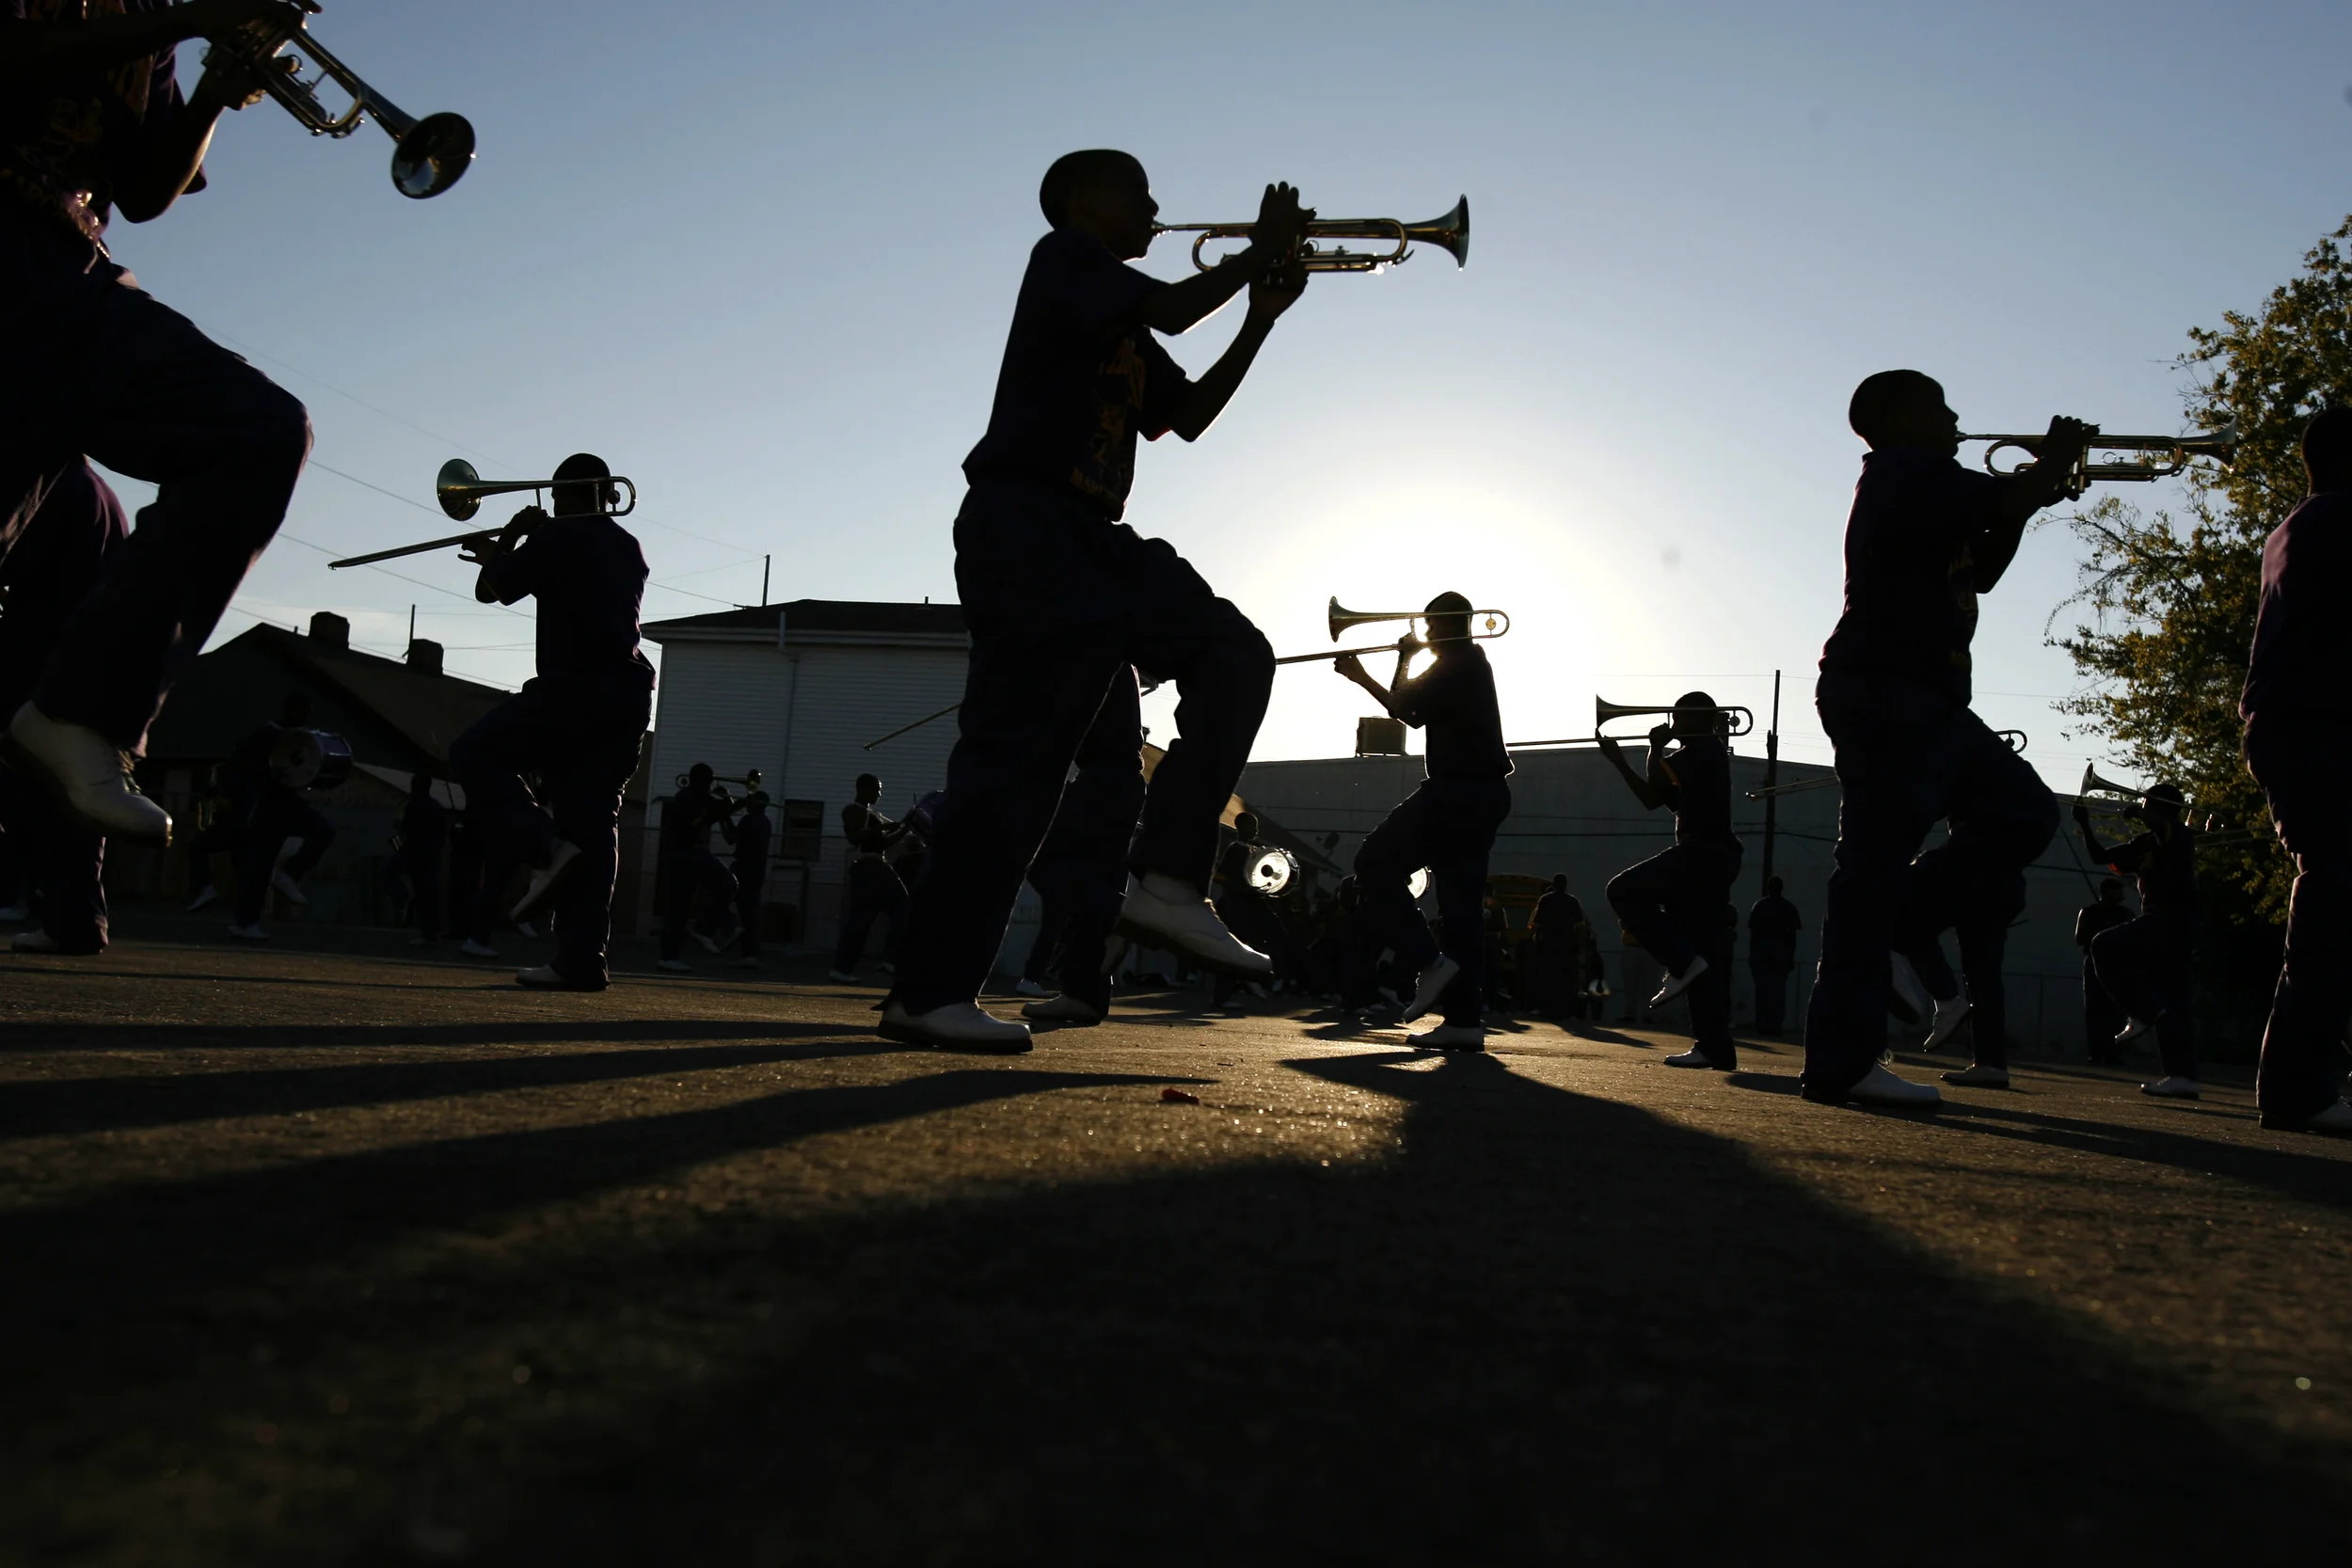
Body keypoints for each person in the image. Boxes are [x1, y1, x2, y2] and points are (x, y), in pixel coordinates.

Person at [881, 150, 1310, 1053]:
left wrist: (1261, 318)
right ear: (1082, 198)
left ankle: (1168, 881)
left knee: (1236, 652)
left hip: (1092, 538)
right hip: (1026, 523)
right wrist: (1252, 255)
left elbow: (1187, 414)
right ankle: (931, 991)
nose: (1155, 207)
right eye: (1137, 191)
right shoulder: (1065, 260)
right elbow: (1176, 307)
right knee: (1016, 769)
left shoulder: (1123, 317)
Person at [0, 2, 316, 847]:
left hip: (74, 273)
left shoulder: (151, 22)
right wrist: (186, 16)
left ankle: (81, 715)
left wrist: (214, 88)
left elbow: (143, 193)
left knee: (261, 429)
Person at [1801, 372, 2084, 1108]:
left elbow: (1982, 569)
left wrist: (2032, 495)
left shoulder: (1931, 485)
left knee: (2025, 811)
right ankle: (1844, 1059)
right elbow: (1998, 500)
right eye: (1939, 405)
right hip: (1889, 689)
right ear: (1900, 418)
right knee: (1871, 869)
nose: (1956, 416)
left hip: (1927, 698)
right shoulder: (1903, 471)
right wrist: (2048, 467)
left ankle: (1899, 925)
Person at [446, 453, 656, 992]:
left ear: (564, 494)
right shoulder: (626, 545)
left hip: (573, 690)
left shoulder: (558, 537)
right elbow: (535, 585)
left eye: (557, 494)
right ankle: (582, 961)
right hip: (626, 699)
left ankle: (543, 848)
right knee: (594, 825)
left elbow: (492, 590)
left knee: (474, 752)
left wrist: (508, 541)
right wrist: (514, 552)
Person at [1331, 591, 1514, 1051]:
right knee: (1461, 912)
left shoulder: (1457, 662)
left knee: (1373, 863)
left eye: (1430, 625)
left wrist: (1360, 676)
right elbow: (1408, 701)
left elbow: (1405, 711)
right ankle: (1464, 1022)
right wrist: (1405, 659)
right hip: (1481, 794)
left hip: (1456, 791)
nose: (1426, 632)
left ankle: (1428, 963)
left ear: (1447, 624)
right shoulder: (1465, 661)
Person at [2243, 406, 2352, 1136]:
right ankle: (2297, 1085)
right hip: (2319, 726)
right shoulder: (2340, 519)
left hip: (2297, 724)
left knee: (2336, 890)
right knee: (2337, 891)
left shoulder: (2298, 524)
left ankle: (2301, 1080)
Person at [0, 462, 126, 954]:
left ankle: (66, 913)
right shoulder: (104, 496)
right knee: (71, 789)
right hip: (94, 660)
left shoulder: (47, 484)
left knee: (26, 778)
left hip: (39, 653)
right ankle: (77, 917)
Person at [1597, 693, 1744, 1069]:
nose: (1673, 722)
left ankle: (1679, 961)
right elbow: (1656, 798)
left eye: (1679, 716)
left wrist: (1654, 749)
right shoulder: (1702, 754)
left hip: (1703, 854)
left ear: (1697, 719)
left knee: (1622, 890)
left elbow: (1656, 782)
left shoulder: (1703, 749)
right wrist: (1619, 762)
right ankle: (1714, 1047)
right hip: (1712, 857)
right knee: (1701, 953)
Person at [1020, 670, 1149, 1027]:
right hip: (1120, 781)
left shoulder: (1094, 655)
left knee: (1041, 858)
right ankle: (1084, 996)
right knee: (1096, 881)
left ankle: (1118, 913)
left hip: (1102, 779)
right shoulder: (1116, 662)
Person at [2077, 784, 2201, 1098]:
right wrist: (2084, 824)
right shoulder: (2144, 842)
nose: (2142, 806)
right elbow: (2100, 857)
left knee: (2104, 945)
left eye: (2147, 802)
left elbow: (2162, 826)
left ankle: (2141, 1011)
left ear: (2160, 806)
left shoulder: (2179, 834)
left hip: (2172, 919)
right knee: (2170, 1002)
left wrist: (2143, 814)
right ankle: (2181, 1076)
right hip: (2164, 923)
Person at [1897, 867, 2026, 1086]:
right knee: (1983, 973)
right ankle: (1990, 1064)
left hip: (1975, 878)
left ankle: (1946, 1000)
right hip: (2003, 882)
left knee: (1909, 920)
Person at [223, 689, 337, 941]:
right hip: (266, 807)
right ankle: (247, 922)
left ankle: (289, 875)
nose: (305, 718)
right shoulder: (267, 734)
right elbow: (243, 766)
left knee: (323, 832)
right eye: (303, 713)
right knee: (259, 866)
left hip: (287, 802)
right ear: (291, 710)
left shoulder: (299, 736)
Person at [655, 762, 736, 974]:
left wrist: (730, 804)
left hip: (694, 856)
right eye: (707, 780)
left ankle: (698, 934)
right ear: (696, 779)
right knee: (678, 908)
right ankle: (673, 953)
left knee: (723, 887)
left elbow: (718, 812)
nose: (710, 785)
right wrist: (722, 808)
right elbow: (699, 820)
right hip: (684, 855)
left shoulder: (700, 797)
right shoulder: (686, 797)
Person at [832, 773, 912, 982]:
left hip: (872, 867)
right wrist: (883, 827)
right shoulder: (853, 810)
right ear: (863, 788)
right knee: (902, 908)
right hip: (870, 867)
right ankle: (889, 960)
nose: (879, 793)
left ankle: (842, 969)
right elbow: (854, 837)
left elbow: (882, 844)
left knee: (862, 920)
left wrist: (905, 829)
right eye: (877, 789)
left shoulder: (871, 814)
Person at [2073, 878, 2134, 1061]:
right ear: (2107, 892)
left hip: (2118, 964)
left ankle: (2113, 1051)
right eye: (2117, 890)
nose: (2121, 894)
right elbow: (2079, 938)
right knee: (2095, 1009)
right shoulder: (2090, 913)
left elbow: (2134, 940)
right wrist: (2099, 928)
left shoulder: (2125, 914)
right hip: (2095, 962)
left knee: (2117, 1009)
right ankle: (2095, 1051)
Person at [397, 766, 449, 947]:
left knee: (421, 894)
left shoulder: (413, 806)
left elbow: (407, 831)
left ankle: (426, 933)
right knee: (431, 894)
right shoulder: (437, 807)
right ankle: (431, 931)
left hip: (417, 855)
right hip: (433, 855)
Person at [1746, 876, 1801, 1034]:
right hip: (1780, 954)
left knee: (1763, 990)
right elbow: (1792, 937)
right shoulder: (1788, 907)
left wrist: (1752, 955)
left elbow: (1754, 935)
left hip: (1763, 953)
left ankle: (1763, 1024)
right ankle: (1774, 1025)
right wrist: (1790, 957)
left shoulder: (1760, 906)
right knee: (1777, 991)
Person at [1526, 874, 1585, 1019]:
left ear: (1553, 884)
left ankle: (1546, 1008)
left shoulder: (1545, 900)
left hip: (1548, 944)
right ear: (1565, 885)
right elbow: (1580, 926)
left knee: (1546, 978)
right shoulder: (1572, 901)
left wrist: (1537, 942)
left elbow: (1537, 925)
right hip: (1567, 945)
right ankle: (1565, 1009)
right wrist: (1579, 944)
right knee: (1566, 978)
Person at [727, 790, 771, 970]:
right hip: (757, 871)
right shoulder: (765, 822)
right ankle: (750, 954)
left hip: (744, 869)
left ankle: (731, 933)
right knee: (750, 913)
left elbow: (730, 838)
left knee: (727, 901)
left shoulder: (749, 820)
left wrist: (725, 816)